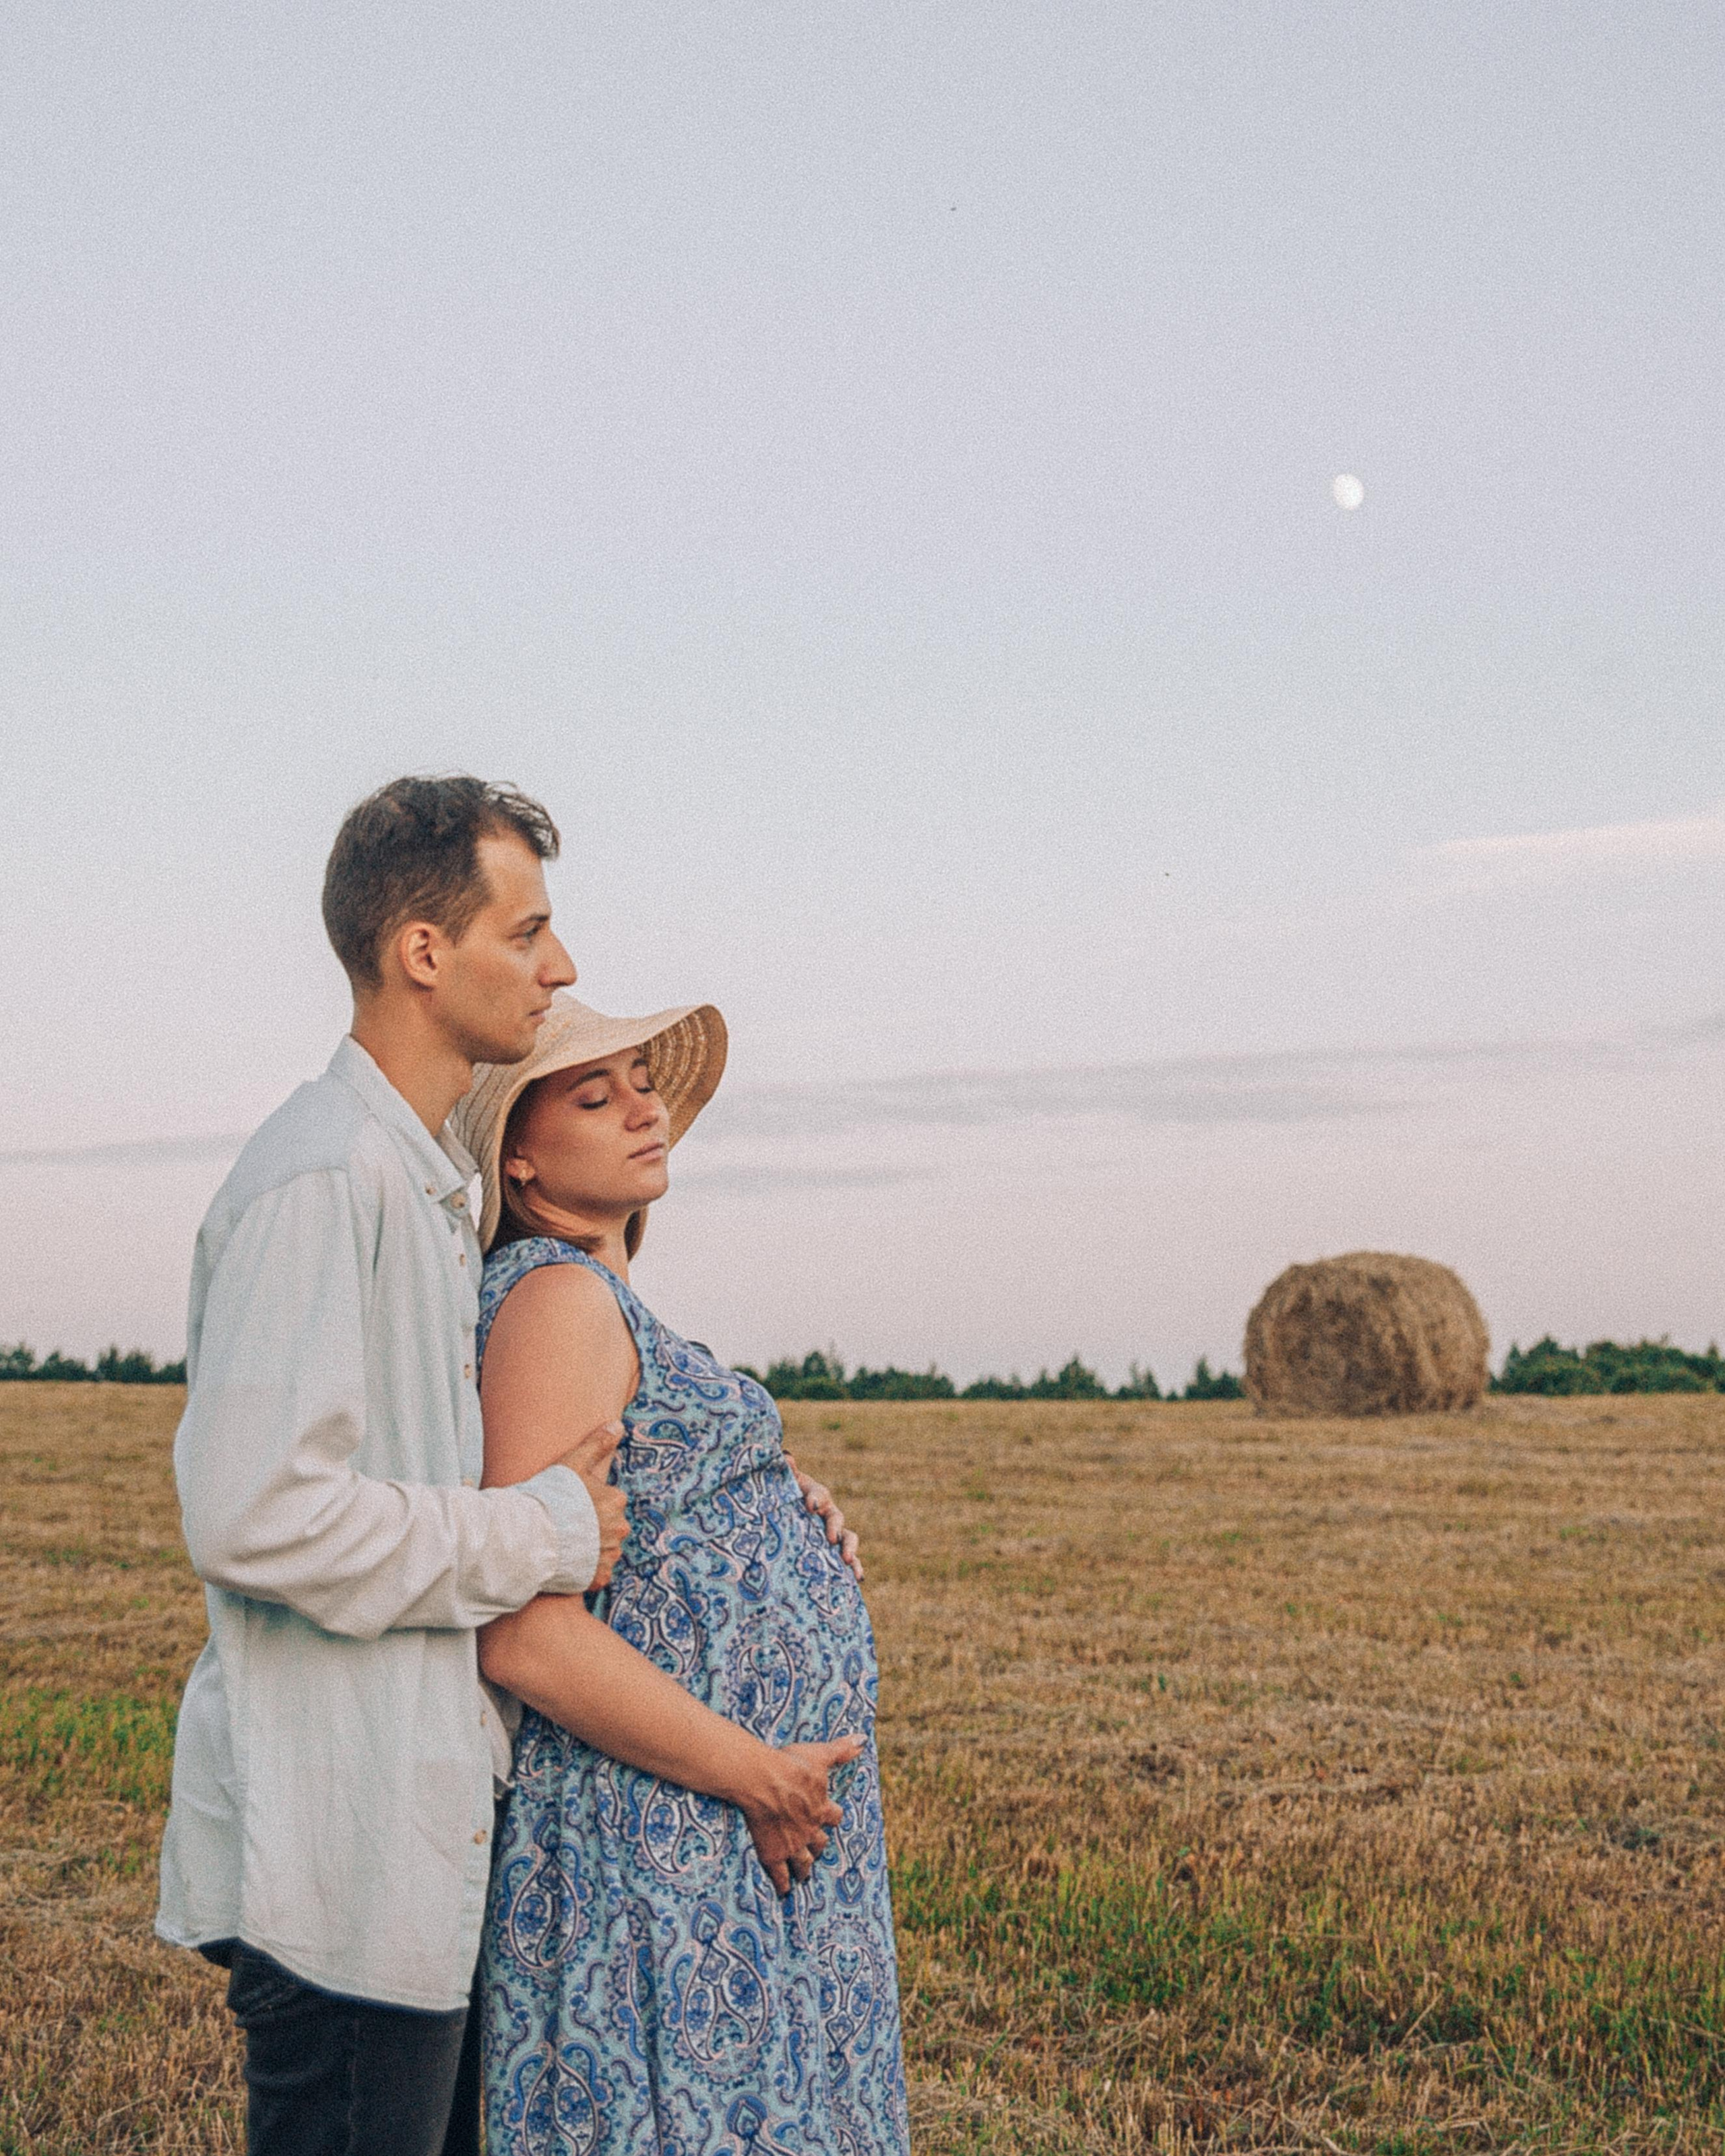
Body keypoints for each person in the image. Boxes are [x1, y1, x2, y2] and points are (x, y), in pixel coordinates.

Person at [156, 775, 859, 2156]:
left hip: (414, 1839)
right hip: (342, 1849)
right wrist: (535, 1532)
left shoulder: (407, 1188)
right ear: (426, 951)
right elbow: (253, 1514)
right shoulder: (326, 1179)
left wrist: (747, 1512)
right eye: (528, 930)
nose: (563, 965)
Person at [450, 992, 911, 2156]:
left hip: (706, 1827)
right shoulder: (557, 1299)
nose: (643, 1107)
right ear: (520, 1159)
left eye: (643, 1082)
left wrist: (781, 1518)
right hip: (658, 1834)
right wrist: (758, 1774)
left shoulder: (604, 1301)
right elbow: (527, 1632)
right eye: (593, 1097)